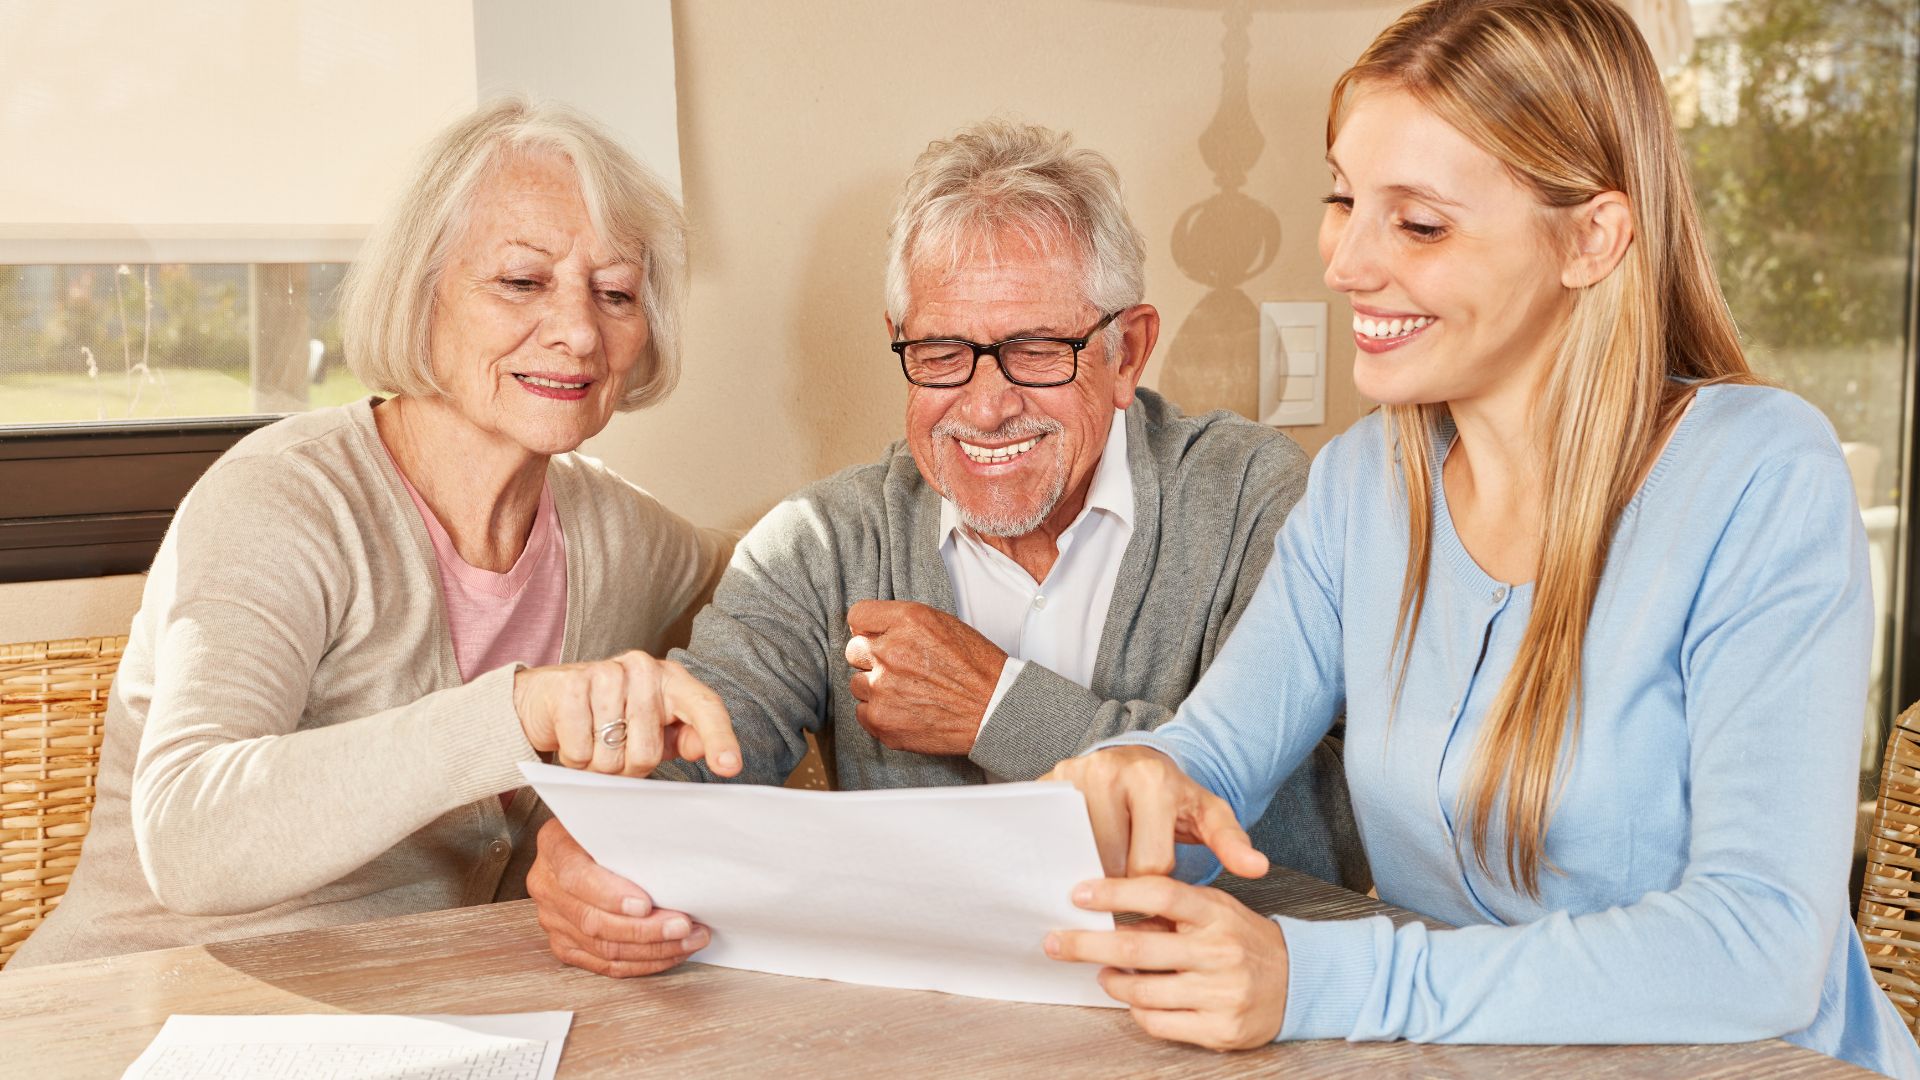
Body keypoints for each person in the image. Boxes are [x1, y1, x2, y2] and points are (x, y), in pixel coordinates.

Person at [1038, 2, 1920, 1075]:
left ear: (1592, 237)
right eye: (1342, 200)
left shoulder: (1758, 475)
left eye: (1418, 224)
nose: (1348, 264)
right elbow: (1212, 760)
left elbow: (1761, 946)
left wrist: (1328, 980)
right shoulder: (1364, 484)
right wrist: (1137, 776)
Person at [526, 119, 1367, 978]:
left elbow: (1309, 837)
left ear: (1128, 352)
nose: (986, 406)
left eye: (1038, 350)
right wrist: (593, 850)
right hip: (926, 1033)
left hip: (1217, 1017)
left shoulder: (1253, 497)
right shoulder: (822, 543)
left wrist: (999, 709)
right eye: (942, 352)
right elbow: (694, 764)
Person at [10, 99, 742, 968]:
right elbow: (188, 834)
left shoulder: (621, 536)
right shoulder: (284, 498)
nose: (580, 330)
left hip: (426, 1020)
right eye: (522, 280)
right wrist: (514, 712)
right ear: (419, 289)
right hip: (139, 1015)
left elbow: (785, 584)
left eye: (615, 292)